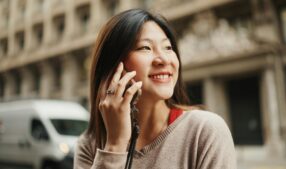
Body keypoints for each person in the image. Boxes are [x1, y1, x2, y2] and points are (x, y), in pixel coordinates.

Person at [74, 9, 236, 169]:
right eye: (145, 48)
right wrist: (114, 146)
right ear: (114, 66)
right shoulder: (90, 145)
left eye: (168, 47)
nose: (164, 59)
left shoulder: (205, 130)